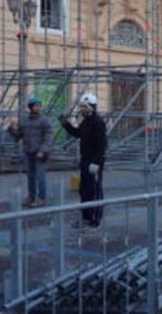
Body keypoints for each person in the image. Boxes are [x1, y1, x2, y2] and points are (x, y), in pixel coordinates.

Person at [60, 93, 107, 229]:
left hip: (94, 161)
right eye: (81, 106)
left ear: (91, 107)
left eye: (84, 107)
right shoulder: (86, 121)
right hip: (85, 159)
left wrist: (97, 162)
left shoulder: (98, 122)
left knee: (95, 190)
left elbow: (102, 144)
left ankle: (95, 219)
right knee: (84, 189)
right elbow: (77, 133)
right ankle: (86, 217)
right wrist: (64, 122)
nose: (82, 109)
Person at [8, 96, 53, 208]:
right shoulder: (25, 121)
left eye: (39, 105)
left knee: (40, 176)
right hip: (28, 152)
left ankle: (42, 197)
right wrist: (12, 128)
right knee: (30, 175)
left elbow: (48, 137)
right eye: (35, 106)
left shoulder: (44, 120)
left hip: (40, 153)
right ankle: (31, 196)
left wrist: (43, 150)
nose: (38, 108)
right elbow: (18, 136)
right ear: (30, 107)